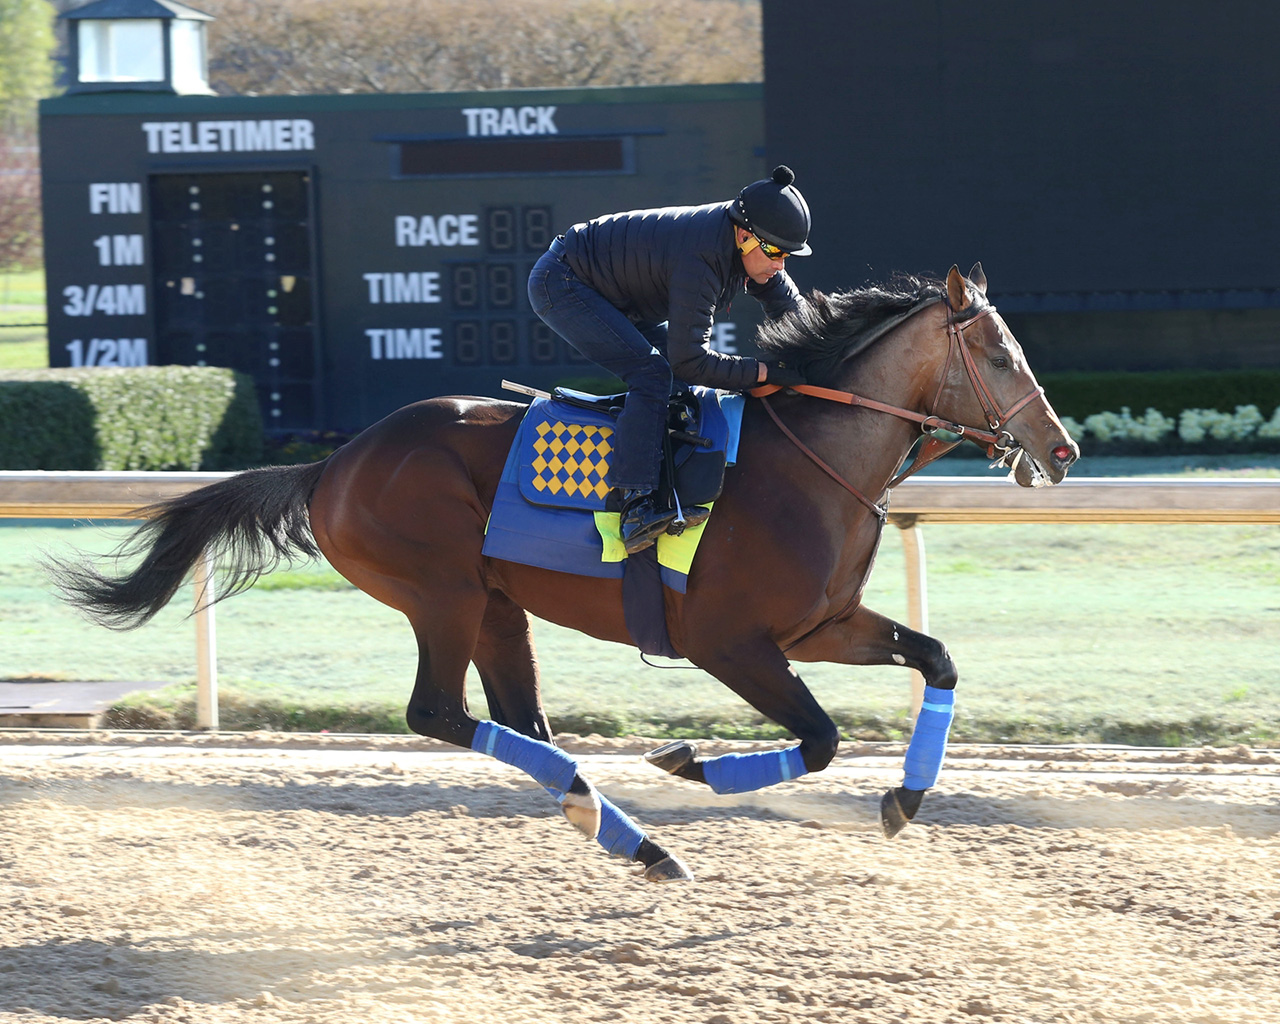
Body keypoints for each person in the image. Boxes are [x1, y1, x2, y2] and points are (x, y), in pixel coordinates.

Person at [527, 164, 812, 555]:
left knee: (674, 385)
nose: (780, 264)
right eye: (776, 252)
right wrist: (761, 372)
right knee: (654, 374)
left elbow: (797, 315)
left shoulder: (748, 241)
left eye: (789, 255)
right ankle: (635, 505)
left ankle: (667, 482)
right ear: (745, 236)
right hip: (563, 282)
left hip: (613, 291)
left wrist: (823, 355)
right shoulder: (703, 257)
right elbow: (689, 361)